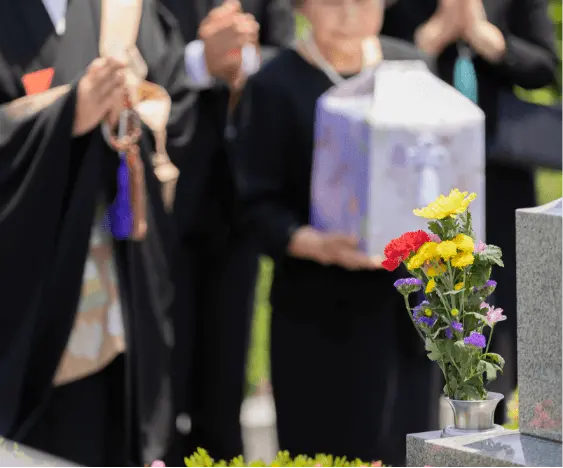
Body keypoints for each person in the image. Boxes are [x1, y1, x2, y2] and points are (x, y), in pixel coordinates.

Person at [233, 0, 441, 465]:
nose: (349, 13)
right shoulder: (273, 83)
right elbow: (254, 205)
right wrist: (316, 244)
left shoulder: (414, 70)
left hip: (403, 305)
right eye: (332, 1)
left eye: (363, 1)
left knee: (405, 445)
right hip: (317, 312)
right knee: (324, 450)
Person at [0, 0, 198, 466]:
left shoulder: (124, 9)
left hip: (120, 289)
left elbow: (179, 104)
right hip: (28, 300)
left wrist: (135, 108)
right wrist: (65, 114)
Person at [381, 0, 559, 424]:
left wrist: (488, 39)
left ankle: (500, 422)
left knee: (500, 297)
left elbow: (544, 66)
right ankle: (417, 430)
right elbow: (377, 62)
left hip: (498, 171)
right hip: (419, 170)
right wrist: (433, 36)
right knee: (424, 298)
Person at [156, 0, 293, 462]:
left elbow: (287, 51)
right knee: (162, 371)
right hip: (161, 199)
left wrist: (243, 61)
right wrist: (201, 59)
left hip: (240, 198)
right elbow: (129, 58)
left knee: (226, 365)